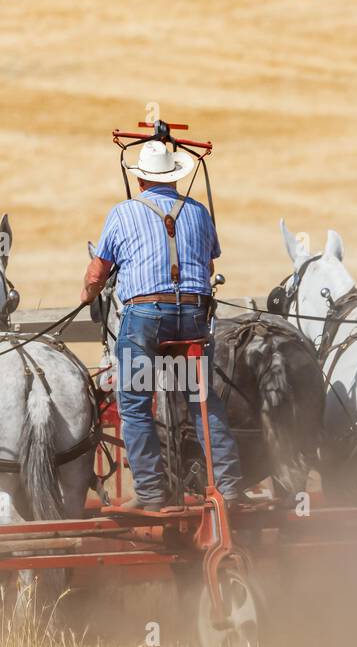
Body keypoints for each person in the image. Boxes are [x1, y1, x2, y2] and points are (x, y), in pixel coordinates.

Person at [81, 139, 244, 511]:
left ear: (140, 181)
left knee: (136, 403)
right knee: (202, 400)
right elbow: (209, 265)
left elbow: (98, 271)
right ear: (173, 179)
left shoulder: (123, 213)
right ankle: (230, 488)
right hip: (191, 320)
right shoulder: (200, 213)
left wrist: (87, 295)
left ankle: (153, 494)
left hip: (145, 323)